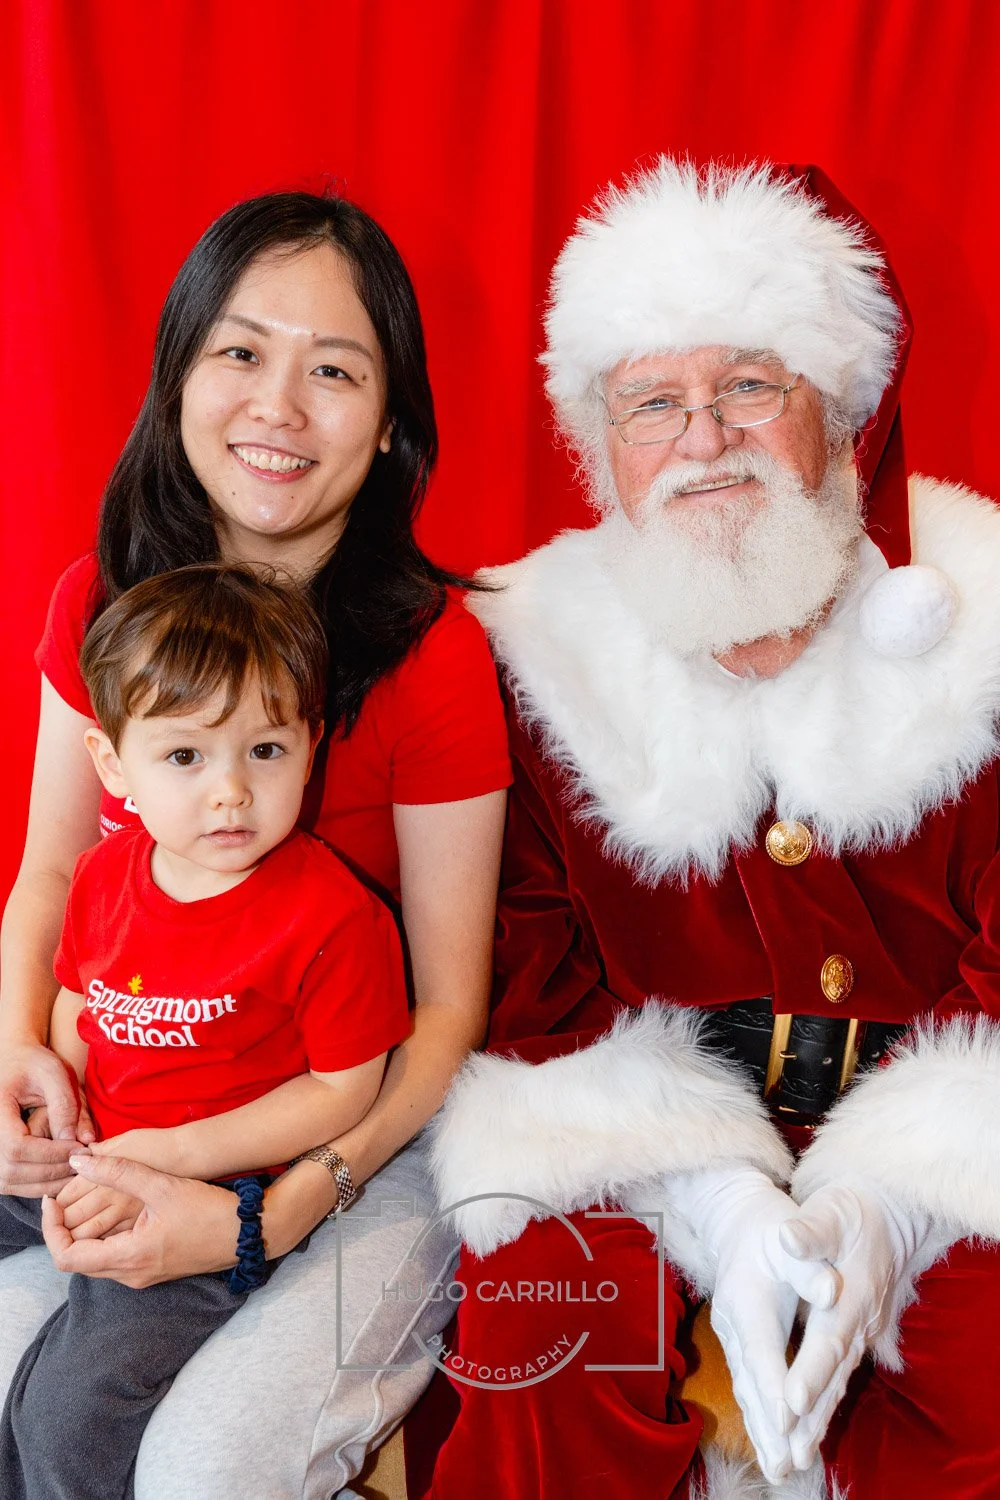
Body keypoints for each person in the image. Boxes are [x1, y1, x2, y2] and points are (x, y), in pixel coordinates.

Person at [427, 160, 1000, 1500]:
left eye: (750, 385)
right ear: (602, 441)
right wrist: (717, 1198)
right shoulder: (527, 653)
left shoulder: (985, 621)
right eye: (653, 403)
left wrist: (887, 1201)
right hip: (638, 1148)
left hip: (942, 1128)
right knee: (542, 1334)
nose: (702, 439)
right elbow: (523, 981)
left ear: (839, 407)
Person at [0, 192, 510, 1498]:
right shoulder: (101, 603)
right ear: (179, 377)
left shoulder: (430, 656)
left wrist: (261, 1210)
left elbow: (447, 1013)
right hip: (124, 1100)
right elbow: (49, 876)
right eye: (240, 352)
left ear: (389, 424)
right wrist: (15, 1062)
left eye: (333, 370)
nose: (278, 404)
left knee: (175, 1454)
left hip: (346, 1125)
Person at [0, 560, 412, 1498]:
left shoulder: (337, 919)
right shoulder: (106, 874)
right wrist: (53, 1107)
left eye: (264, 751)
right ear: (114, 765)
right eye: (186, 757)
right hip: (97, 1153)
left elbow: (345, 1090)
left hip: (214, 1193)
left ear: (311, 743)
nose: (231, 792)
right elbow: (80, 1001)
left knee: (67, 1411)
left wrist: (176, 1157)